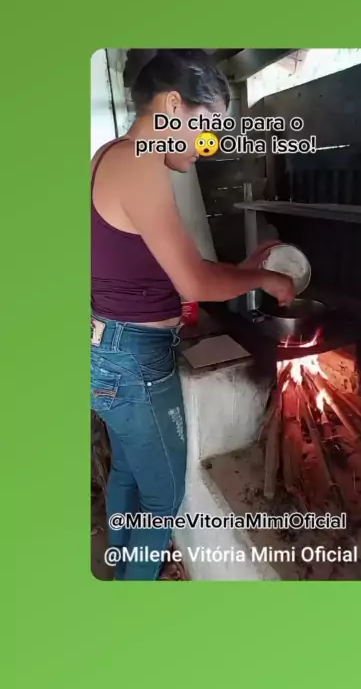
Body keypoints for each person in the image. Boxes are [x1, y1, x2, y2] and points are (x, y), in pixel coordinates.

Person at [91, 48, 295, 580]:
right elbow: (195, 283)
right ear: (172, 105)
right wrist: (265, 279)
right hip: (134, 361)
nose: (208, 146)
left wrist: (241, 269)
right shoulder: (139, 165)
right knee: (163, 497)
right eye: (206, 128)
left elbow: (173, 263)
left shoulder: (113, 155)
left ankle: (119, 566)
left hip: (111, 349)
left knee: (128, 471)